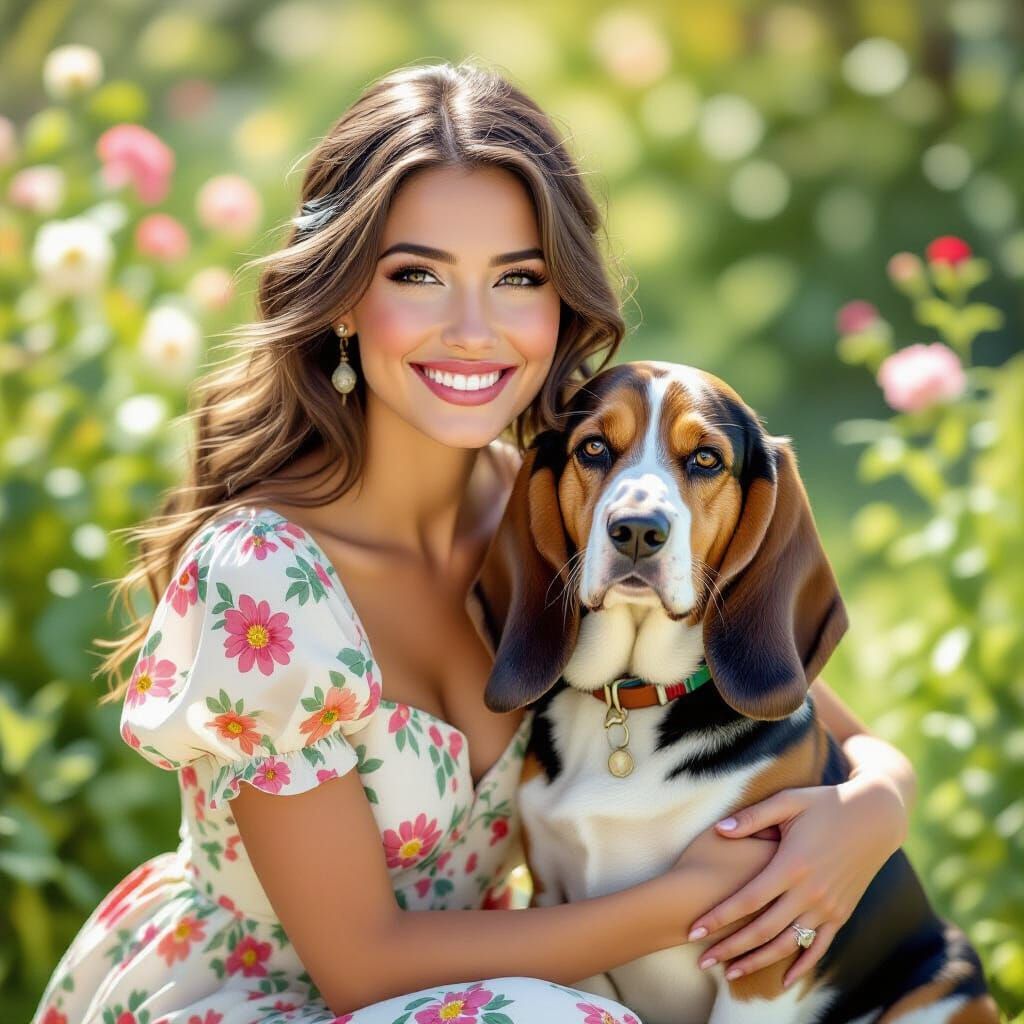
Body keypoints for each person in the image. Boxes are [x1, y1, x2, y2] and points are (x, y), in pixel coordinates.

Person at [33, 62, 916, 1024]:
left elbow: (795, 690)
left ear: (562, 302)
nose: (471, 329)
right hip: (263, 999)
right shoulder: (265, 578)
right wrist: (689, 901)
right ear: (339, 295)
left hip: (482, 993)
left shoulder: (551, 506)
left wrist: (872, 810)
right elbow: (362, 969)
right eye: (418, 275)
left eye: (517, 279)